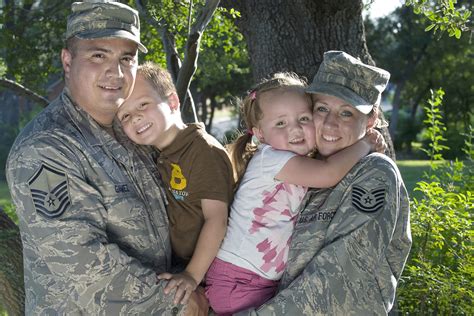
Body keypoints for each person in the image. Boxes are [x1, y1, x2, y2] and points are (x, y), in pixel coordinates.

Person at [6, 1, 206, 314]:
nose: (115, 72)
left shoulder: (135, 130)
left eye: (127, 58)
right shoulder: (45, 149)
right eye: (98, 55)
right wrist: (180, 302)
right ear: (68, 61)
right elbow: (81, 264)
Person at [236, 51, 412, 315]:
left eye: (346, 113)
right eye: (322, 109)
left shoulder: (373, 173)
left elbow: (339, 278)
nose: (330, 124)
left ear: (371, 120)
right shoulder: (302, 167)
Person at [205, 72, 384, 315]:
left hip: (257, 279)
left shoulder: (294, 161)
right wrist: (365, 144)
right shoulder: (271, 159)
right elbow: (329, 173)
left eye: (303, 118)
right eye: (281, 123)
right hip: (239, 280)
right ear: (260, 134)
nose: (295, 129)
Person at [117, 62, 234, 305]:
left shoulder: (202, 151)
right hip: (182, 262)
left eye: (143, 105)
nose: (135, 117)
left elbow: (217, 219)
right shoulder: (162, 153)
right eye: (125, 115)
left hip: (211, 269)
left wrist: (192, 274)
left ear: (172, 102)